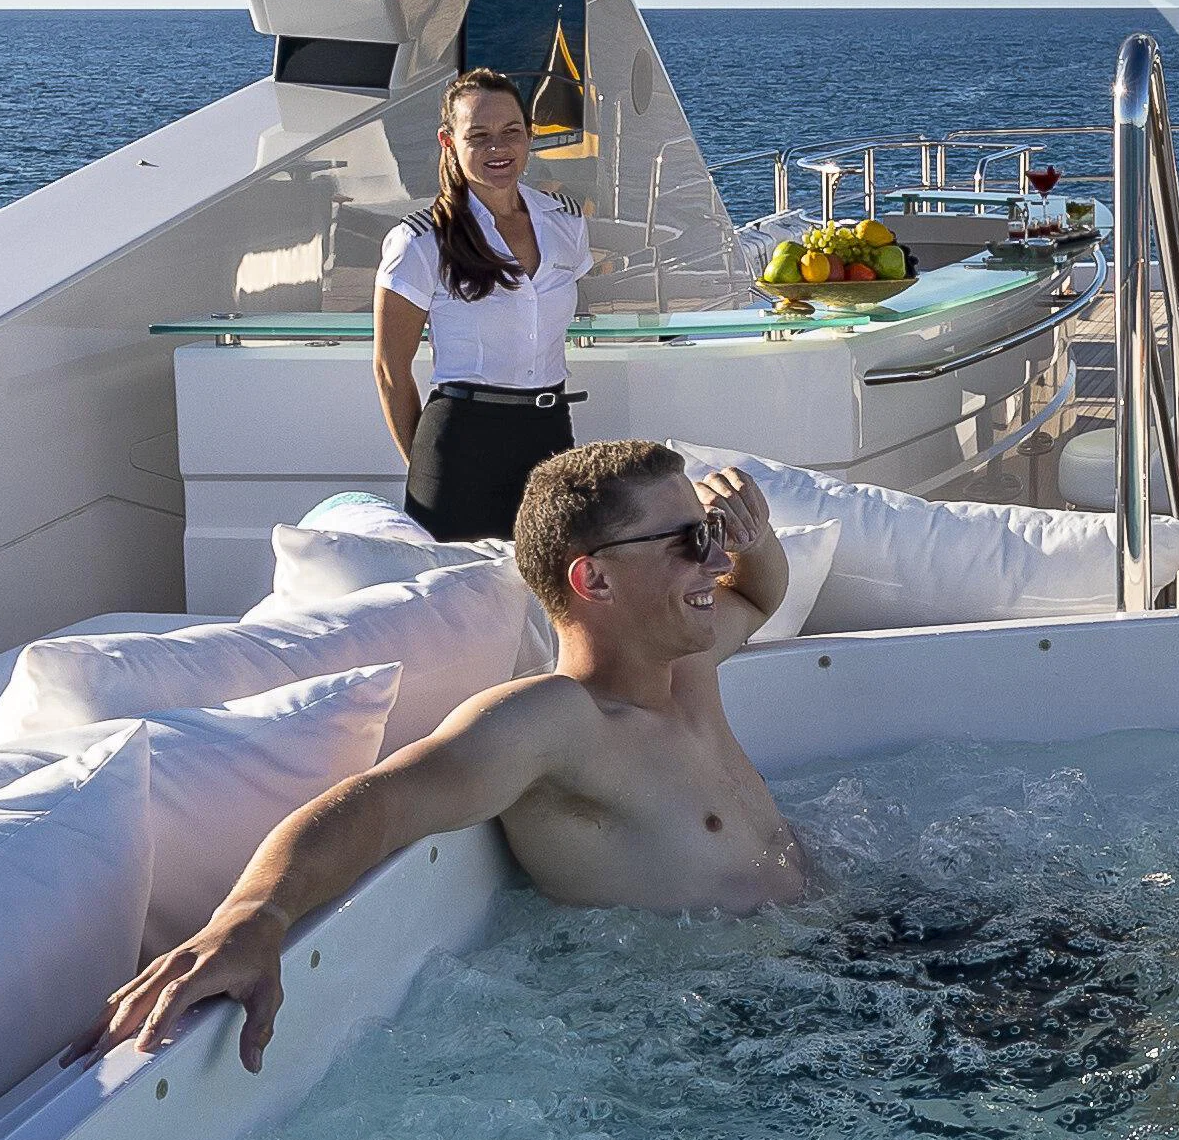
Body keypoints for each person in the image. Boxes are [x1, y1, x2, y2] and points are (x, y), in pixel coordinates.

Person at [107, 438, 805, 1068]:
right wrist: (255, 914)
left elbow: (759, 589)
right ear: (594, 580)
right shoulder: (558, 720)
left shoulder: (689, 662)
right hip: (732, 1035)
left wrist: (757, 534)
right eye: (687, 541)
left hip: (827, 964)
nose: (715, 559)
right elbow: (381, 803)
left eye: (711, 534)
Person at [375, 65, 589, 545]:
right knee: (455, 605)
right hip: (461, 443)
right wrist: (429, 466)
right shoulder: (420, 241)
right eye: (479, 136)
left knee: (552, 593)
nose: (499, 149)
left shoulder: (566, 224)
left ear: (530, 137)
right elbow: (390, 370)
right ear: (449, 142)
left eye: (512, 132)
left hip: (549, 434)